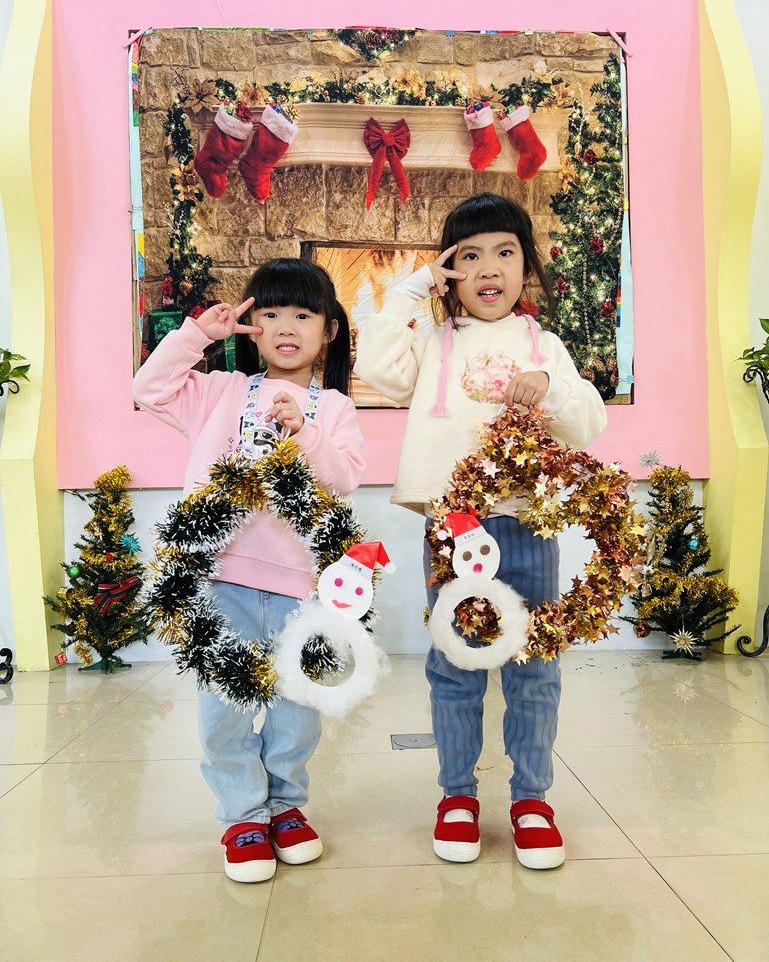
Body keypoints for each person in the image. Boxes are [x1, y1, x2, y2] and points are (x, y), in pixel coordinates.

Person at [355, 193, 607, 869]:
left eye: (504, 252)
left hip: (527, 522)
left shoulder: (545, 347)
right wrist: (411, 289)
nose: (488, 268)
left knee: (535, 665)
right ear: (449, 272)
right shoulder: (431, 343)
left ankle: (531, 799)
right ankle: (457, 796)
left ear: (527, 267)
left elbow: (587, 423)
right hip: (451, 526)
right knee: (454, 664)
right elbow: (377, 370)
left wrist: (550, 386)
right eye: (468, 256)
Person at [133, 258, 365, 882]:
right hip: (220, 580)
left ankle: (285, 807)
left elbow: (343, 479)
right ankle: (242, 815)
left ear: (329, 330)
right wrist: (197, 336)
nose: (286, 326)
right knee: (225, 706)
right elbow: (148, 389)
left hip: (303, 587)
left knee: (297, 707)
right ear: (251, 325)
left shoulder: (335, 407)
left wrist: (306, 432)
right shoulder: (221, 392)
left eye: (303, 314)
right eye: (270, 313)